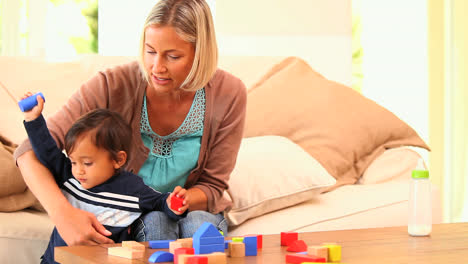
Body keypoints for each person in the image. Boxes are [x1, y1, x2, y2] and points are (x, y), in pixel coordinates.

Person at [14, 0, 246, 246]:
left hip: (192, 208)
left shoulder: (228, 94)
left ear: (201, 53)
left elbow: (212, 185)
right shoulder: (110, 85)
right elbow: (28, 152)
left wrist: (179, 201)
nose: (157, 67)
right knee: (156, 222)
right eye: (150, 51)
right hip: (136, 213)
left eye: (173, 56)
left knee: (198, 224)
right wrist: (63, 215)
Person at [20, 92, 188, 264]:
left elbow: (160, 201)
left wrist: (175, 203)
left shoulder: (132, 188)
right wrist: (33, 119)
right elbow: (46, 151)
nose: (78, 171)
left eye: (87, 163)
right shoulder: (68, 176)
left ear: (118, 160)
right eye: (73, 162)